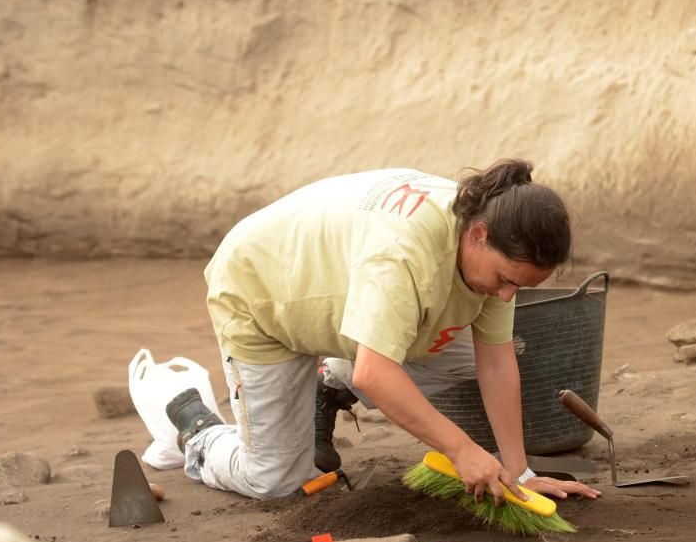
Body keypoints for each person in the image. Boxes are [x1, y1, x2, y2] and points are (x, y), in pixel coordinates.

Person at [165, 158, 601, 505]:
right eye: (505, 279)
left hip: (338, 296)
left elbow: (496, 362)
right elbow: (374, 374)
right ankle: (200, 433)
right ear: (479, 235)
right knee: (274, 480)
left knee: (466, 353)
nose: (507, 296)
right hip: (262, 294)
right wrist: (463, 450)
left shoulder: (488, 229)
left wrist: (519, 473)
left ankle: (328, 381)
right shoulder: (405, 255)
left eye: (519, 287)